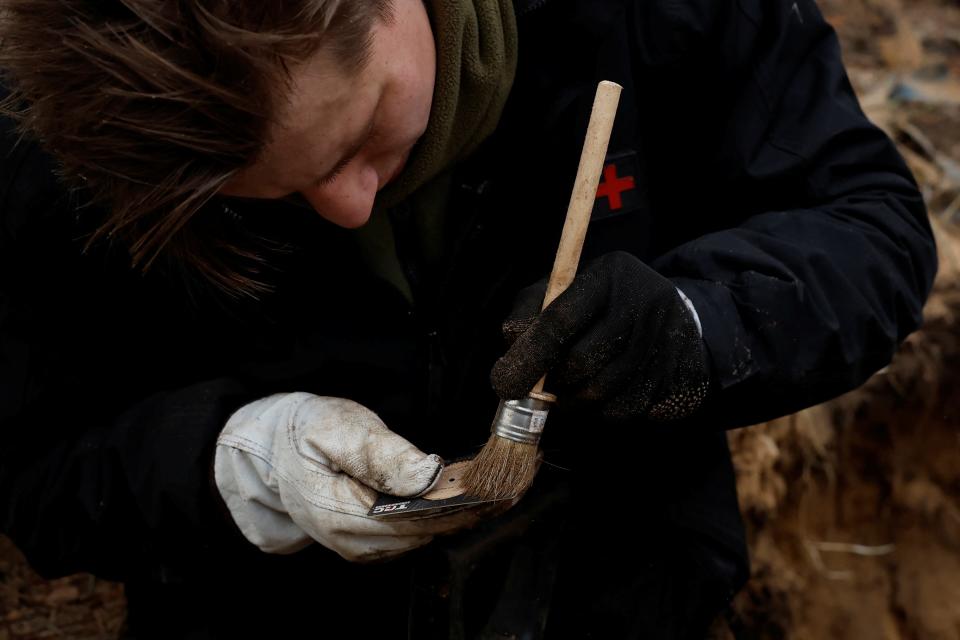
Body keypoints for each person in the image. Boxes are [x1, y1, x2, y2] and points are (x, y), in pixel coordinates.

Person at [0, 0, 936, 637]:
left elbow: (871, 231)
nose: (352, 208)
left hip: (626, 595)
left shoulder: (642, 16)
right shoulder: (77, 134)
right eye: (273, 195)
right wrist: (239, 461)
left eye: (364, 134)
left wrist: (697, 323)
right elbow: (38, 466)